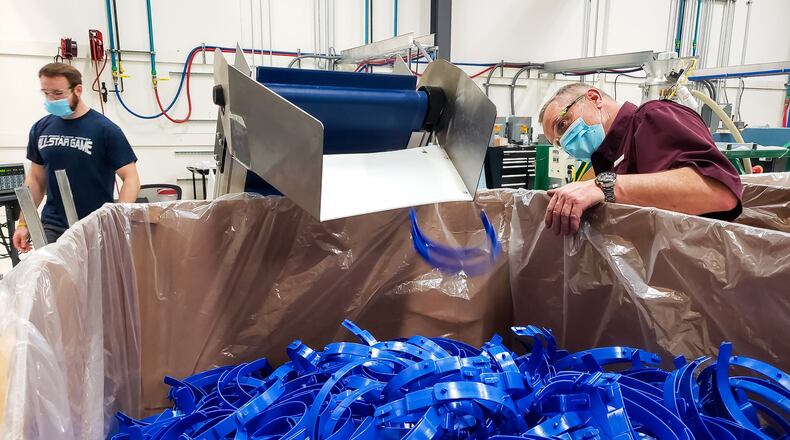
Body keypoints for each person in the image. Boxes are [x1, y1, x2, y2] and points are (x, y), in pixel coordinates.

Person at [538, 83, 742, 235]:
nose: (564, 143)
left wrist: (604, 187)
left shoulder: (653, 116)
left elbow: (719, 192)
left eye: (562, 125)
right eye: (557, 143)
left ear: (594, 98)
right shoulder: (607, 159)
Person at [13, 63, 140, 251]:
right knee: (53, 278)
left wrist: (118, 220)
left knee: (95, 280)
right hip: (53, 226)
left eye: (58, 93)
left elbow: (131, 178)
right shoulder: (40, 129)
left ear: (78, 90)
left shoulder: (106, 130)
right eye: (46, 93)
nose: (51, 99)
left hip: (95, 225)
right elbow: (36, 179)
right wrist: (24, 224)